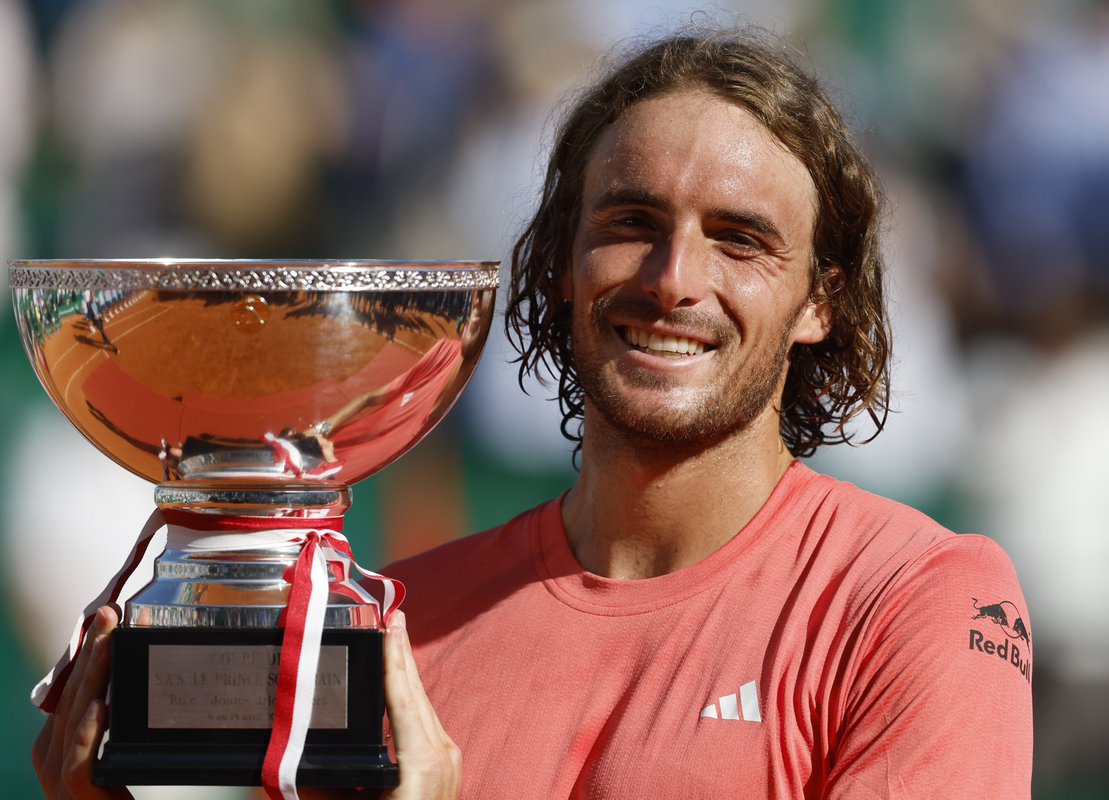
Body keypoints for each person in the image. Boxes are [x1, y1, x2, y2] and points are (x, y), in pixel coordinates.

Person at [34, 28, 1032, 800]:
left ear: (821, 299)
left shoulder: (919, 600)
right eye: (631, 224)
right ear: (558, 263)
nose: (675, 279)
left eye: (740, 239)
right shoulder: (393, 632)